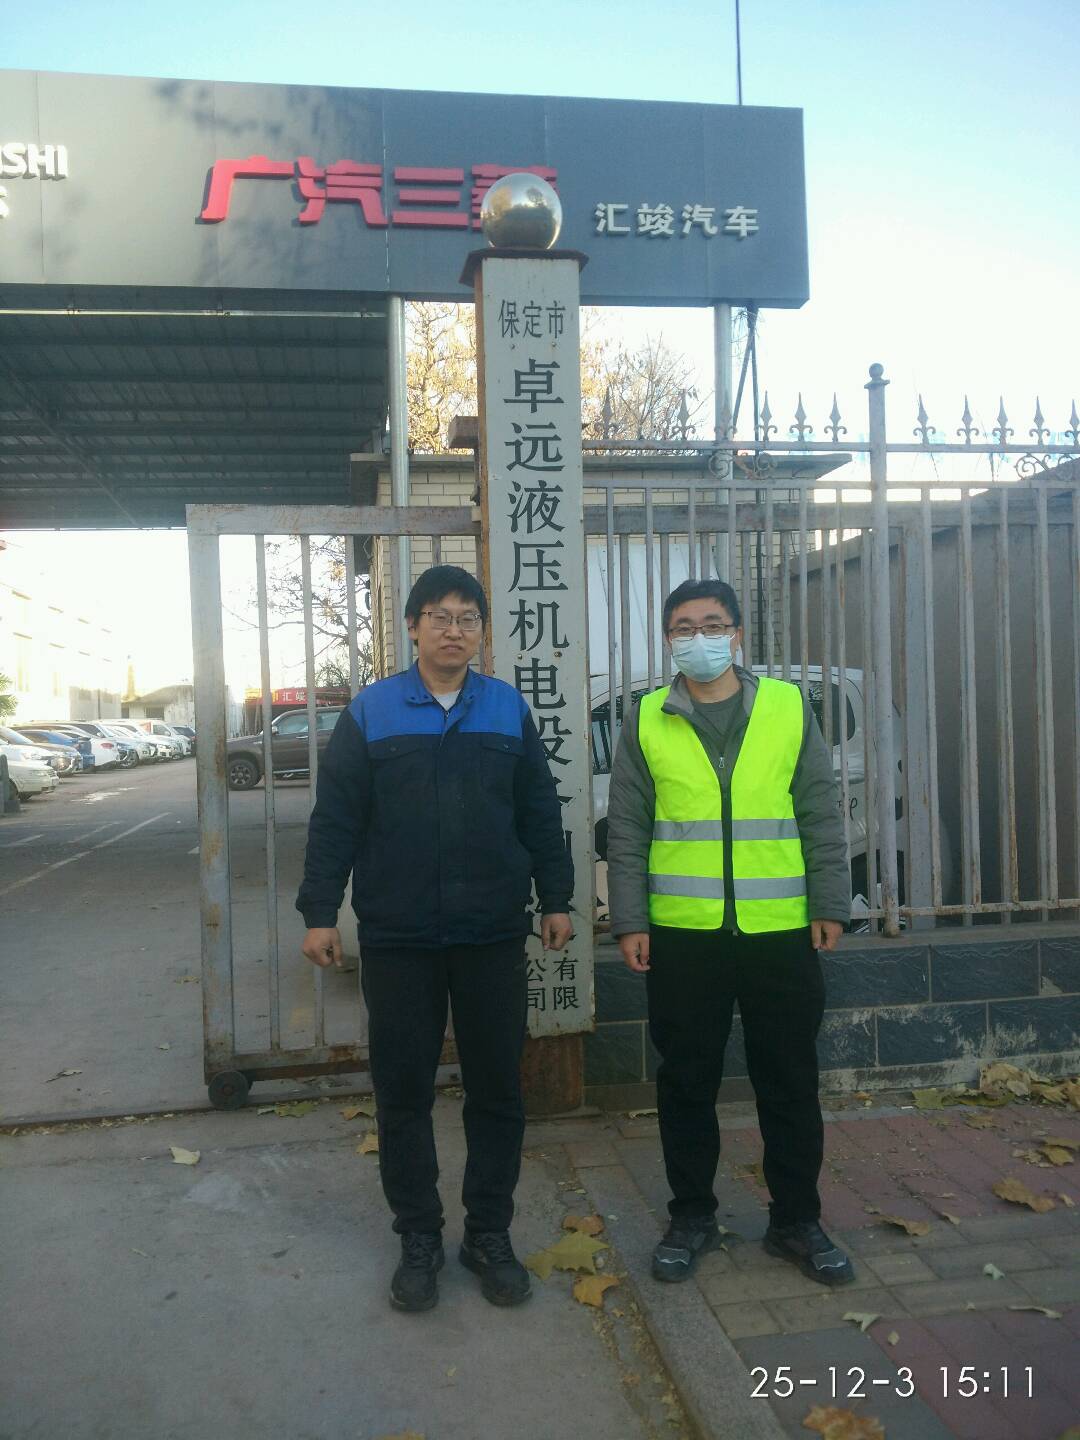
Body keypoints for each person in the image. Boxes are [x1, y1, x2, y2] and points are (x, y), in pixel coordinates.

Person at [296, 565, 574, 1313]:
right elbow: (336, 818)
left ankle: (488, 1234)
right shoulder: (373, 711)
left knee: (497, 1089)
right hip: (400, 937)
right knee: (403, 1092)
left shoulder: (506, 709)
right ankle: (418, 1236)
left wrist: (556, 898)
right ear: (413, 625)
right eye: (440, 616)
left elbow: (539, 812)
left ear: (482, 630)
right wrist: (319, 911)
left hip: (490, 934)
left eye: (468, 618)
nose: (454, 629)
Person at [605, 577, 854, 1286]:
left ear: (738, 634)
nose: (699, 638)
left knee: (789, 1080)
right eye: (683, 627)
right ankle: (691, 1217)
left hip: (780, 930)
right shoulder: (646, 718)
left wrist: (830, 902)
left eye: (712, 625)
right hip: (685, 935)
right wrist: (630, 919)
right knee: (687, 1082)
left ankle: (796, 1221)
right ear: (668, 640)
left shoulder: (786, 706)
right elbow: (627, 828)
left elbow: (818, 809)